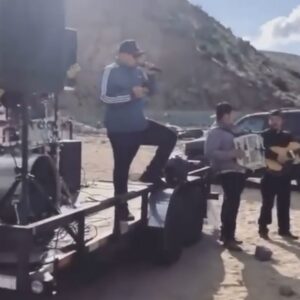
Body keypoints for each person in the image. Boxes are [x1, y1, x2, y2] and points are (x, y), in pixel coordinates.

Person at [100, 40, 177, 221]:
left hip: (139, 125)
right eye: (134, 55)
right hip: (119, 130)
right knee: (122, 167)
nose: (137, 58)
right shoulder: (110, 70)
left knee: (170, 137)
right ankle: (122, 209)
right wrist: (130, 95)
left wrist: (151, 76)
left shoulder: (137, 71)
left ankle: (152, 173)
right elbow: (105, 98)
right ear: (123, 54)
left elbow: (152, 91)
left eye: (138, 55)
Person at [205, 102, 246, 251]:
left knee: (233, 204)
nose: (234, 117)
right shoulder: (215, 132)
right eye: (232, 114)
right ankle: (228, 237)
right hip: (227, 171)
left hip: (239, 170)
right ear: (225, 115)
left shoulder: (233, 129)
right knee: (231, 203)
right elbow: (210, 152)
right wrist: (232, 154)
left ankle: (229, 235)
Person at [258, 110, 298, 240]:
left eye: (277, 119)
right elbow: (260, 154)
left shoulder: (288, 136)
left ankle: (284, 230)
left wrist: (287, 158)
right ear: (269, 120)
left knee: (284, 203)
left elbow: (294, 152)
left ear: (282, 121)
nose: (274, 122)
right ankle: (263, 228)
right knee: (267, 204)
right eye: (272, 119)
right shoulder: (263, 136)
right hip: (269, 174)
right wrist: (277, 156)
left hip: (284, 175)